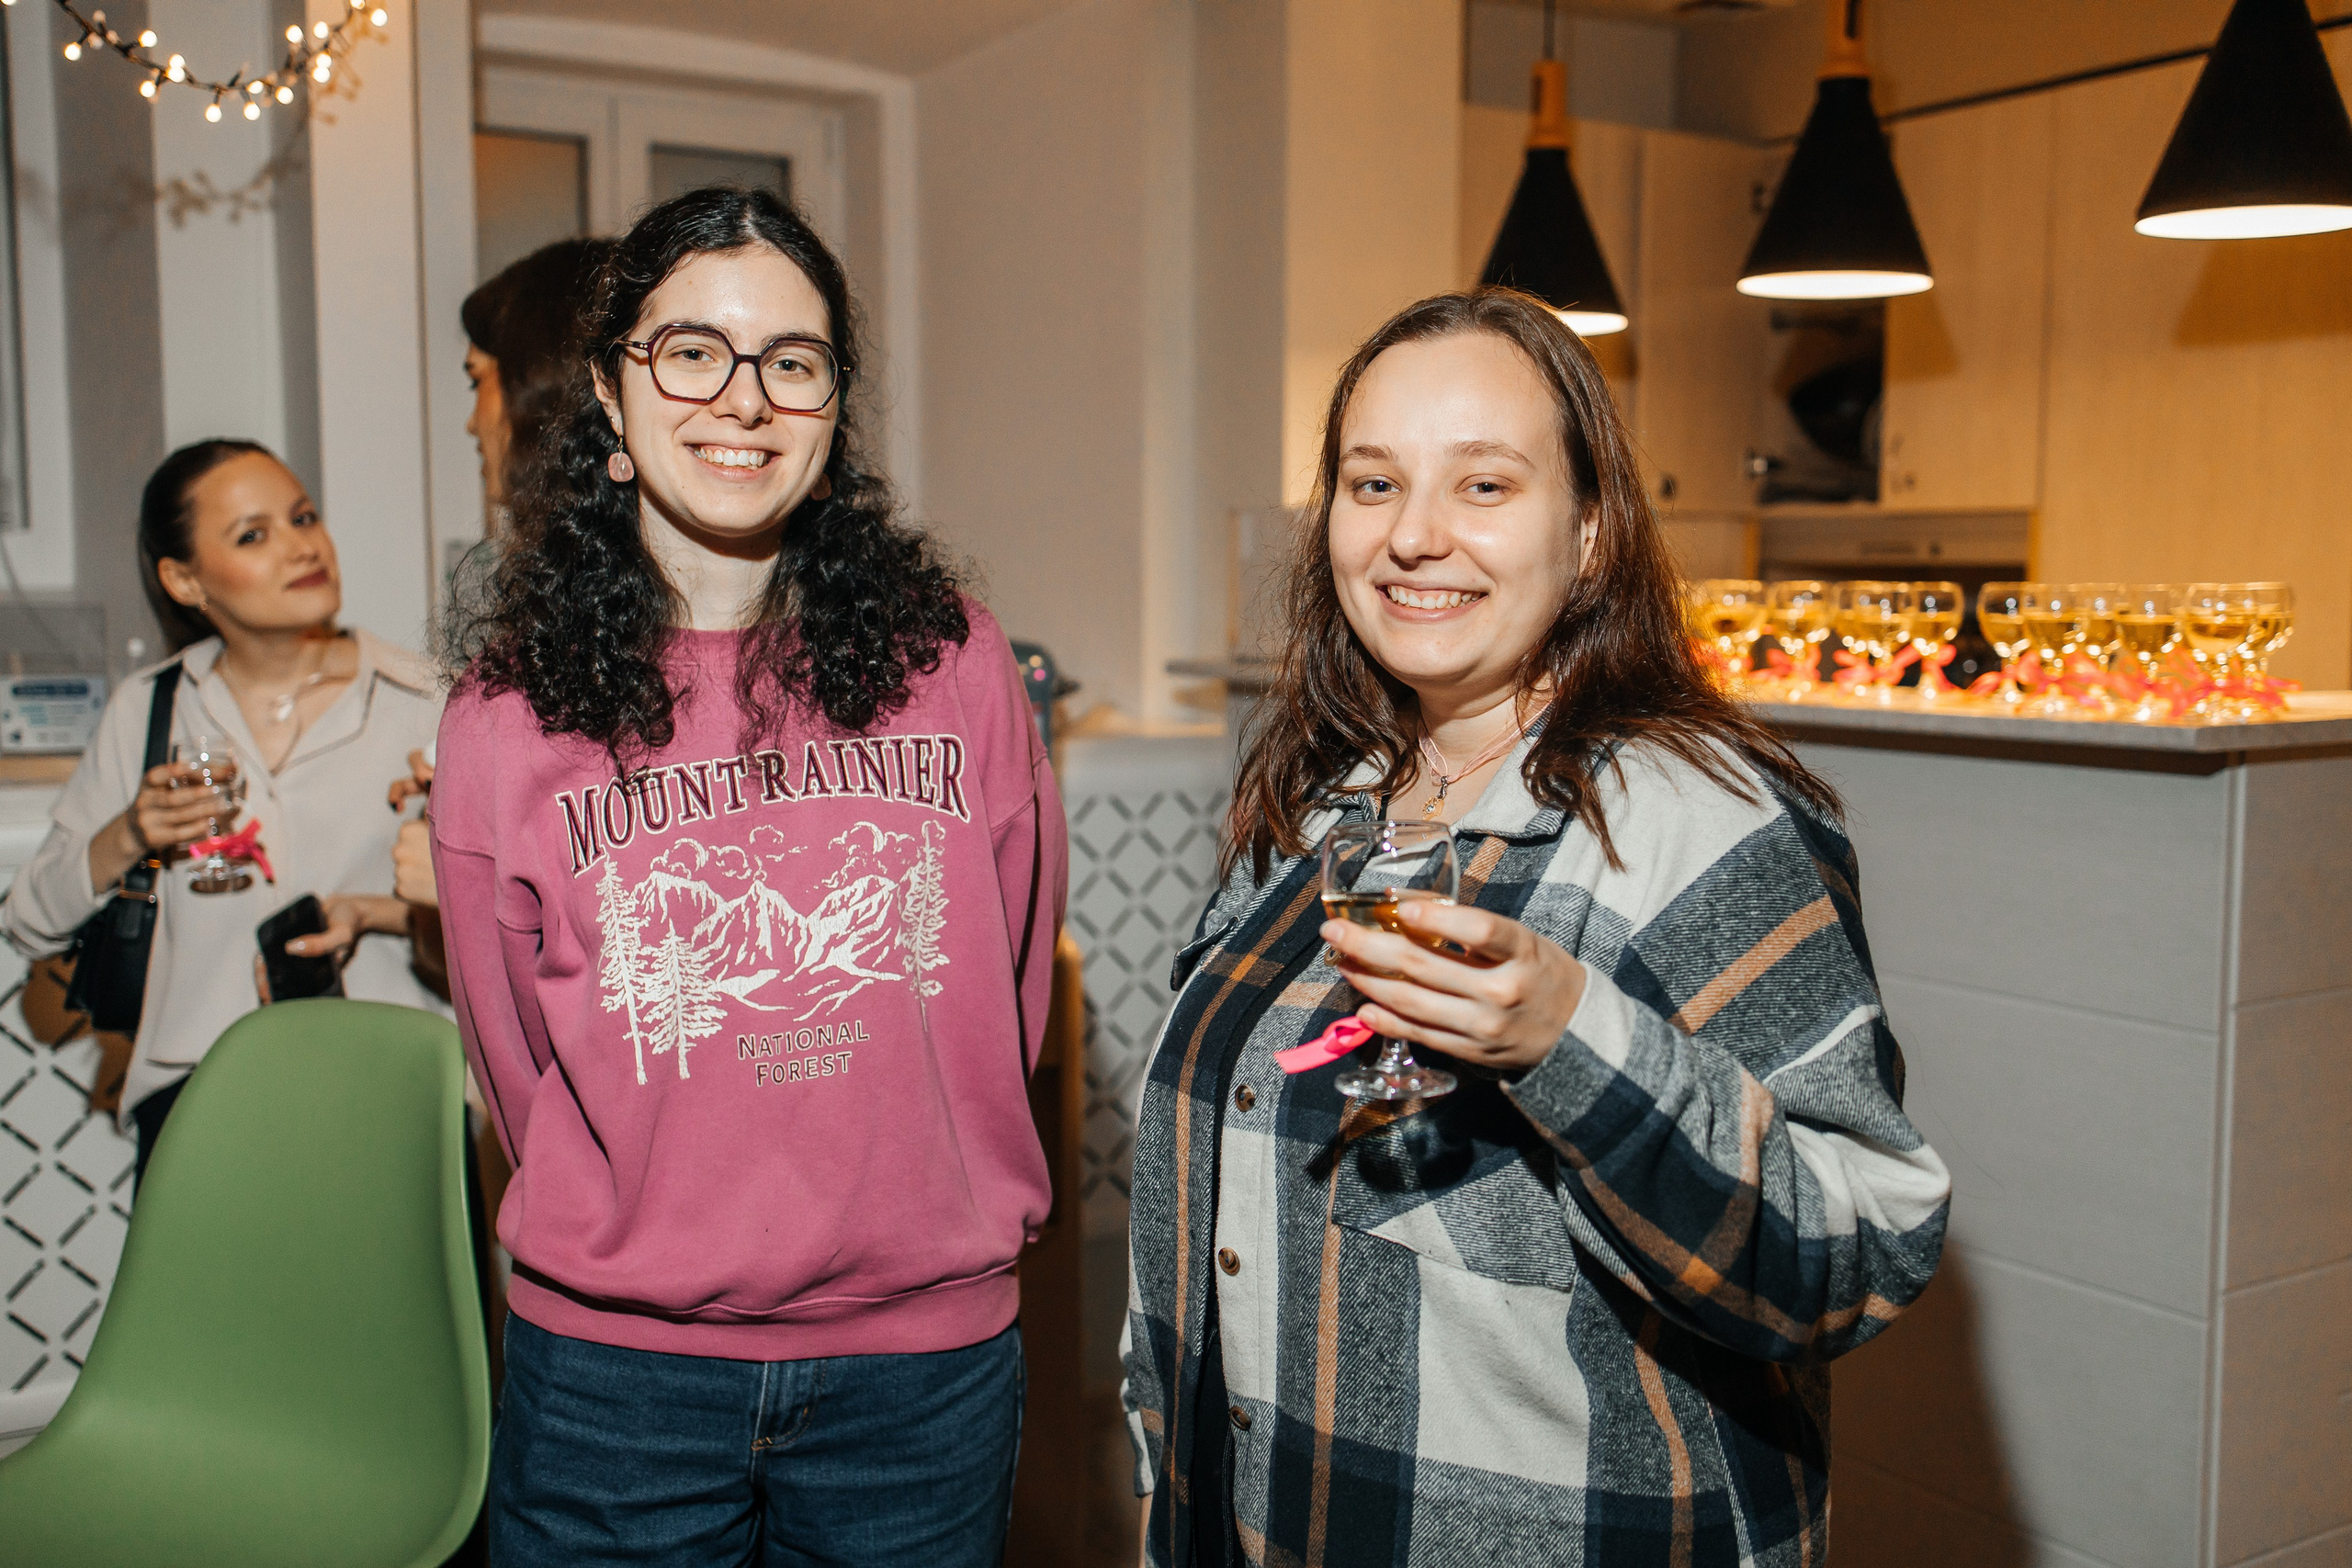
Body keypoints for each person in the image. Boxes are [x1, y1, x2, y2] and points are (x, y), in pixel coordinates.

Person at [1120, 289, 1951, 1567]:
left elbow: (1861, 1245)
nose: (1414, 535)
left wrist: (1574, 1035)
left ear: (1593, 530)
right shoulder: (1321, 803)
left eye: (1485, 486)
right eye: (1372, 481)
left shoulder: (1695, 821)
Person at [430, 186, 1066, 1567]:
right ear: (608, 389)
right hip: (619, 1381)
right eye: (690, 350)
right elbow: (515, 1061)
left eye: (793, 359)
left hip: (922, 1371)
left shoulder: (955, 662)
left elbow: (1009, 992)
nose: (745, 397)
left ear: (833, 410)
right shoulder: (506, 710)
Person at [0, 440, 444, 1186]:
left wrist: (377, 913)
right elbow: (29, 921)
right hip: (200, 1108)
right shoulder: (150, 709)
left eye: (303, 517)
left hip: (389, 1100)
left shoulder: (428, 699)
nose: (300, 545)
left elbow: (509, 922)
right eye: (253, 534)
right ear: (183, 578)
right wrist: (129, 834)